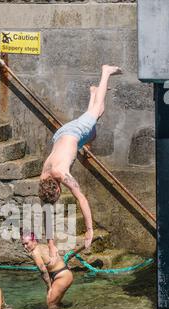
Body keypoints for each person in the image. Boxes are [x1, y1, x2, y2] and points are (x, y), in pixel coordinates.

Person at [39, 65, 122, 252]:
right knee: (92, 133)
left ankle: (105, 72)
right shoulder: (43, 178)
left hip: (75, 132)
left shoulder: (62, 175)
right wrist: (50, 244)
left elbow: (82, 199)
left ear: (59, 187)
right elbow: (46, 211)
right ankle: (93, 92)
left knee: (99, 108)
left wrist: (89, 230)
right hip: (61, 135)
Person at [21, 231, 73, 309]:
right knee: (56, 302)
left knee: (51, 303)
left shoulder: (35, 252)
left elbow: (43, 270)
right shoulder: (44, 246)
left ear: (34, 241)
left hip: (62, 276)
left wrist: (49, 287)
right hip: (64, 274)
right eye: (23, 244)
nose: (25, 246)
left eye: (26, 243)